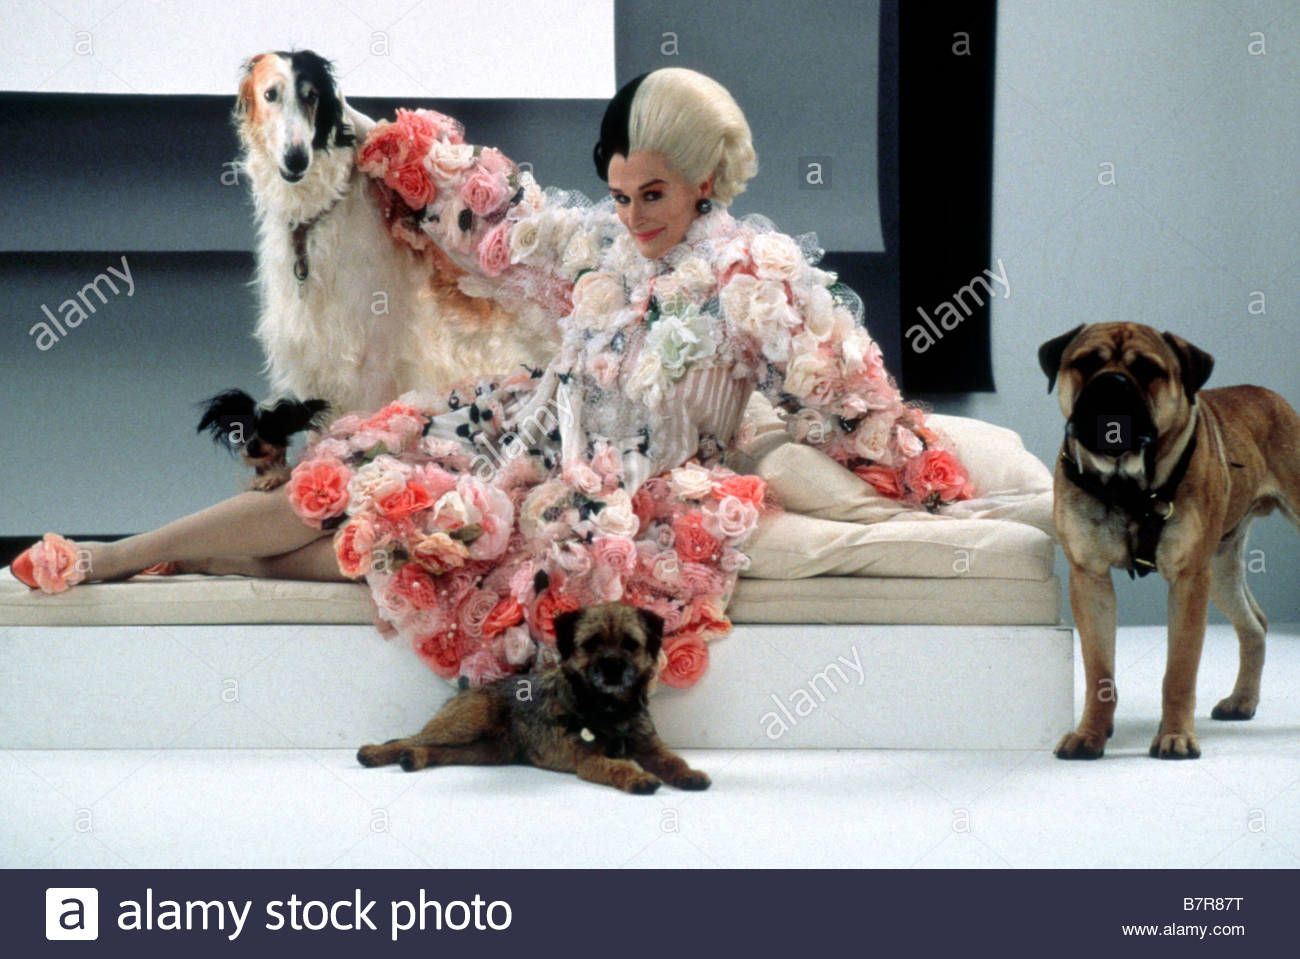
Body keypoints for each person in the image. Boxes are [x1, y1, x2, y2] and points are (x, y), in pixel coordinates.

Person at [10, 69, 972, 689]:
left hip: (612, 493)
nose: (633, 215)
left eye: (654, 195)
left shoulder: (758, 277)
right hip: (517, 427)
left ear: (707, 180)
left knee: (407, 535)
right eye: (621, 191)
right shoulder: (598, 240)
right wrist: (389, 144)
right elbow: (500, 218)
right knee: (346, 476)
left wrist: (905, 470)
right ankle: (116, 555)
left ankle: (215, 558)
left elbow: (846, 395)